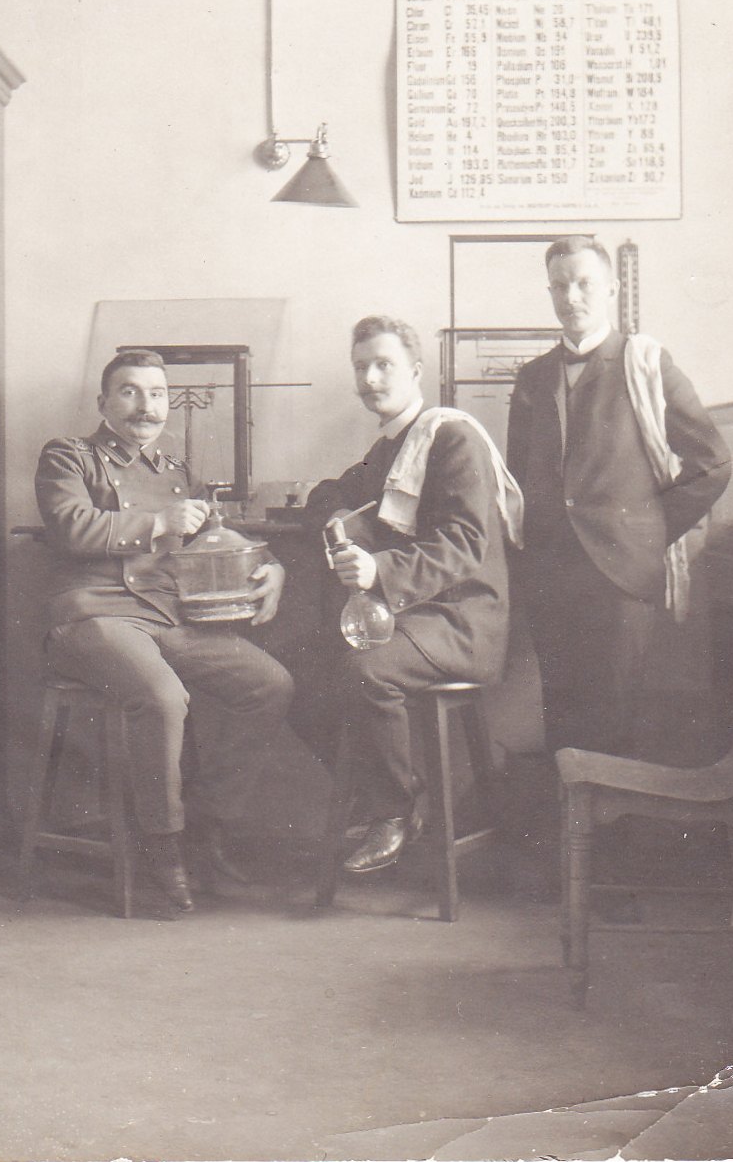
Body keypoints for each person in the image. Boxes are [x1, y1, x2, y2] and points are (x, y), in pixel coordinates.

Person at [34, 349, 293, 913]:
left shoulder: (176, 471)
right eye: (129, 391)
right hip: (92, 616)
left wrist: (272, 567)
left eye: (157, 394)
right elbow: (70, 525)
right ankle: (163, 846)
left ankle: (205, 824)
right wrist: (156, 523)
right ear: (104, 402)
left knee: (269, 685)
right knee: (162, 697)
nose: (145, 406)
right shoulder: (69, 456)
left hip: (165, 617)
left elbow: (220, 533)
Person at [295, 316, 520, 875]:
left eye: (383, 365)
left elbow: (465, 544)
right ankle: (382, 788)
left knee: (364, 669)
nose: (370, 379)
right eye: (361, 368)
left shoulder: (451, 437)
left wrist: (378, 568)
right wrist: (342, 519)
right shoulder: (390, 448)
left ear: (416, 371)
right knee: (294, 669)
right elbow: (326, 495)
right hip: (416, 616)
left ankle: (393, 809)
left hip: (465, 618)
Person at [506, 235, 732, 758]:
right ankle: (567, 814)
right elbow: (517, 481)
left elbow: (713, 463)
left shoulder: (645, 362)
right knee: (561, 722)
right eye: (559, 286)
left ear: (611, 288)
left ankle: (609, 817)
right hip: (550, 575)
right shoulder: (533, 378)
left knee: (615, 727)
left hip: (620, 576)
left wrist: (648, 528)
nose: (571, 297)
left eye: (584, 283)